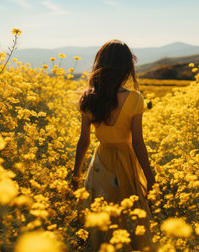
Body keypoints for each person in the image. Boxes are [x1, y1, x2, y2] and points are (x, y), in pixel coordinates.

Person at [71, 39, 156, 251]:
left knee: (102, 222)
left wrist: (75, 175)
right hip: (126, 164)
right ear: (127, 68)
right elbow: (138, 143)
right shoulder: (135, 98)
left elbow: (84, 141)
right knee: (129, 220)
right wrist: (150, 176)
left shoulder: (88, 98)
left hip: (100, 164)